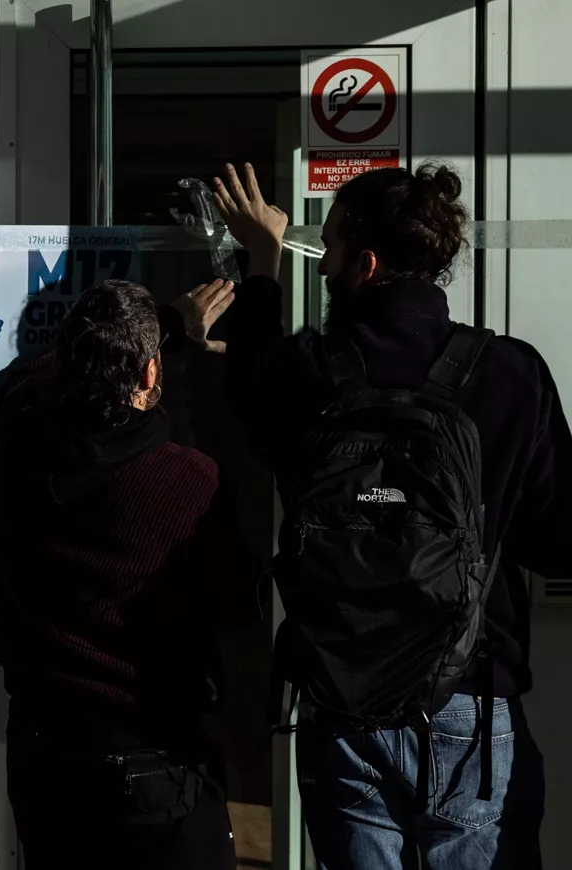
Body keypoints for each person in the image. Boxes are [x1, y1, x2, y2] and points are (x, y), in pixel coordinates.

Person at [213, 161, 572, 869]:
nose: (323, 271)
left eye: (331, 253)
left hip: (344, 700)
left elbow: (247, 381)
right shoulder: (509, 371)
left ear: (365, 264)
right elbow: (558, 540)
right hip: (472, 698)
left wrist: (262, 260)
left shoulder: (308, 373)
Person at [0, 278, 262, 869]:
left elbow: (30, 385)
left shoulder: (21, 447)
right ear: (152, 374)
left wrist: (159, 326)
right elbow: (238, 607)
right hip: (149, 748)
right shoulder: (188, 482)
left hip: (45, 747)